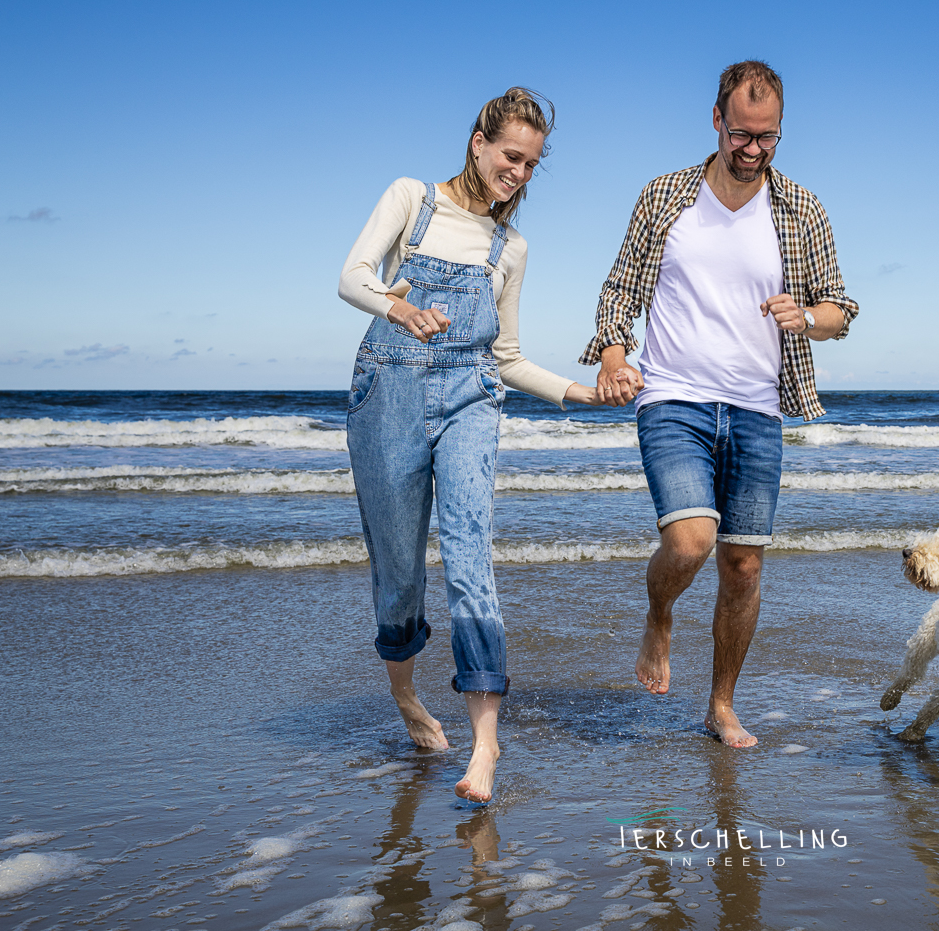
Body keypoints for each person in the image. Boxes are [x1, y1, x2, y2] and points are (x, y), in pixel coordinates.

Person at [580, 60, 859, 748]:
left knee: (743, 565)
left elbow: (840, 310)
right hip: (674, 396)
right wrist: (616, 358)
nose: (754, 149)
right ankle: (659, 614)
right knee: (691, 540)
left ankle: (721, 705)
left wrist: (810, 317)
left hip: (759, 407)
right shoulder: (666, 197)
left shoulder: (801, 209)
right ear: (716, 121)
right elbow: (619, 293)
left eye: (768, 137)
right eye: (741, 134)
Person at [339, 88, 602, 801]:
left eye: (530, 165)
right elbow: (351, 277)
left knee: (468, 551)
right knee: (397, 570)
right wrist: (397, 306)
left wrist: (578, 394)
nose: (517, 172)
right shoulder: (411, 200)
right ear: (478, 142)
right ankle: (407, 698)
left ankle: (485, 746)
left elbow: (508, 355)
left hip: (471, 399)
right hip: (386, 391)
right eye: (510, 156)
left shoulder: (508, 247)